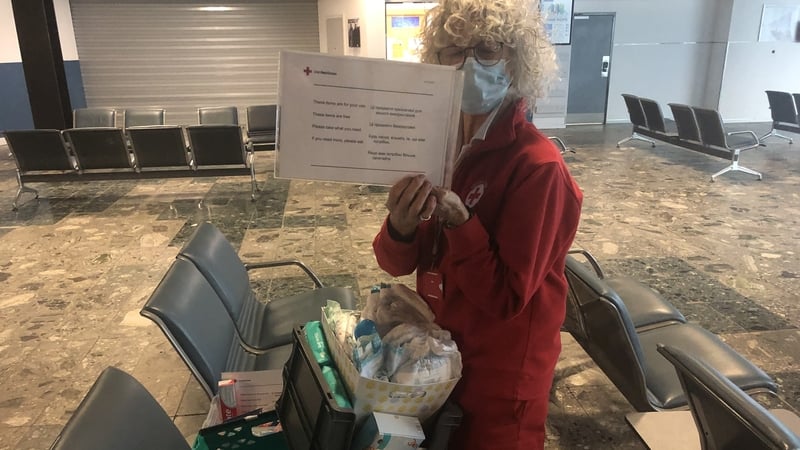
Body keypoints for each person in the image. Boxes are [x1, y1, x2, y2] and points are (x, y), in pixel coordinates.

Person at [372, 0, 583, 449]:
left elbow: (507, 297)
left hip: (502, 375)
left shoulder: (538, 168)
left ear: (517, 58)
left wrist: (461, 223)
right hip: (442, 353)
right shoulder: (442, 143)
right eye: (453, 50)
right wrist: (401, 226)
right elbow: (395, 263)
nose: (468, 64)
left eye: (487, 49)